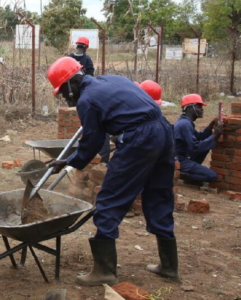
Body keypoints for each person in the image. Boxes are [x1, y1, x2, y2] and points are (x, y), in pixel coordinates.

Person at [46, 57, 178, 286]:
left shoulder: (87, 99)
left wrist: (69, 161)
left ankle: (105, 271)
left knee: (109, 198)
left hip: (140, 138)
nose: (66, 98)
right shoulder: (111, 79)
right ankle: (169, 267)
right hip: (163, 131)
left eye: (63, 92)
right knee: (159, 195)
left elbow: (93, 141)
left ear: (70, 83)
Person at [174, 94, 221, 186]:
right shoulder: (185, 124)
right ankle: (182, 175)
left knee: (206, 145)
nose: (202, 109)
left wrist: (210, 126)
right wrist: (214, 136)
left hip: (182, 156)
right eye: (199, 106)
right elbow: (195, 148)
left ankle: (188, 173)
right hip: (179, 160)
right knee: (212, 176)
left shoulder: (185, 122)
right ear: (189, 108)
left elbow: (198, 137)